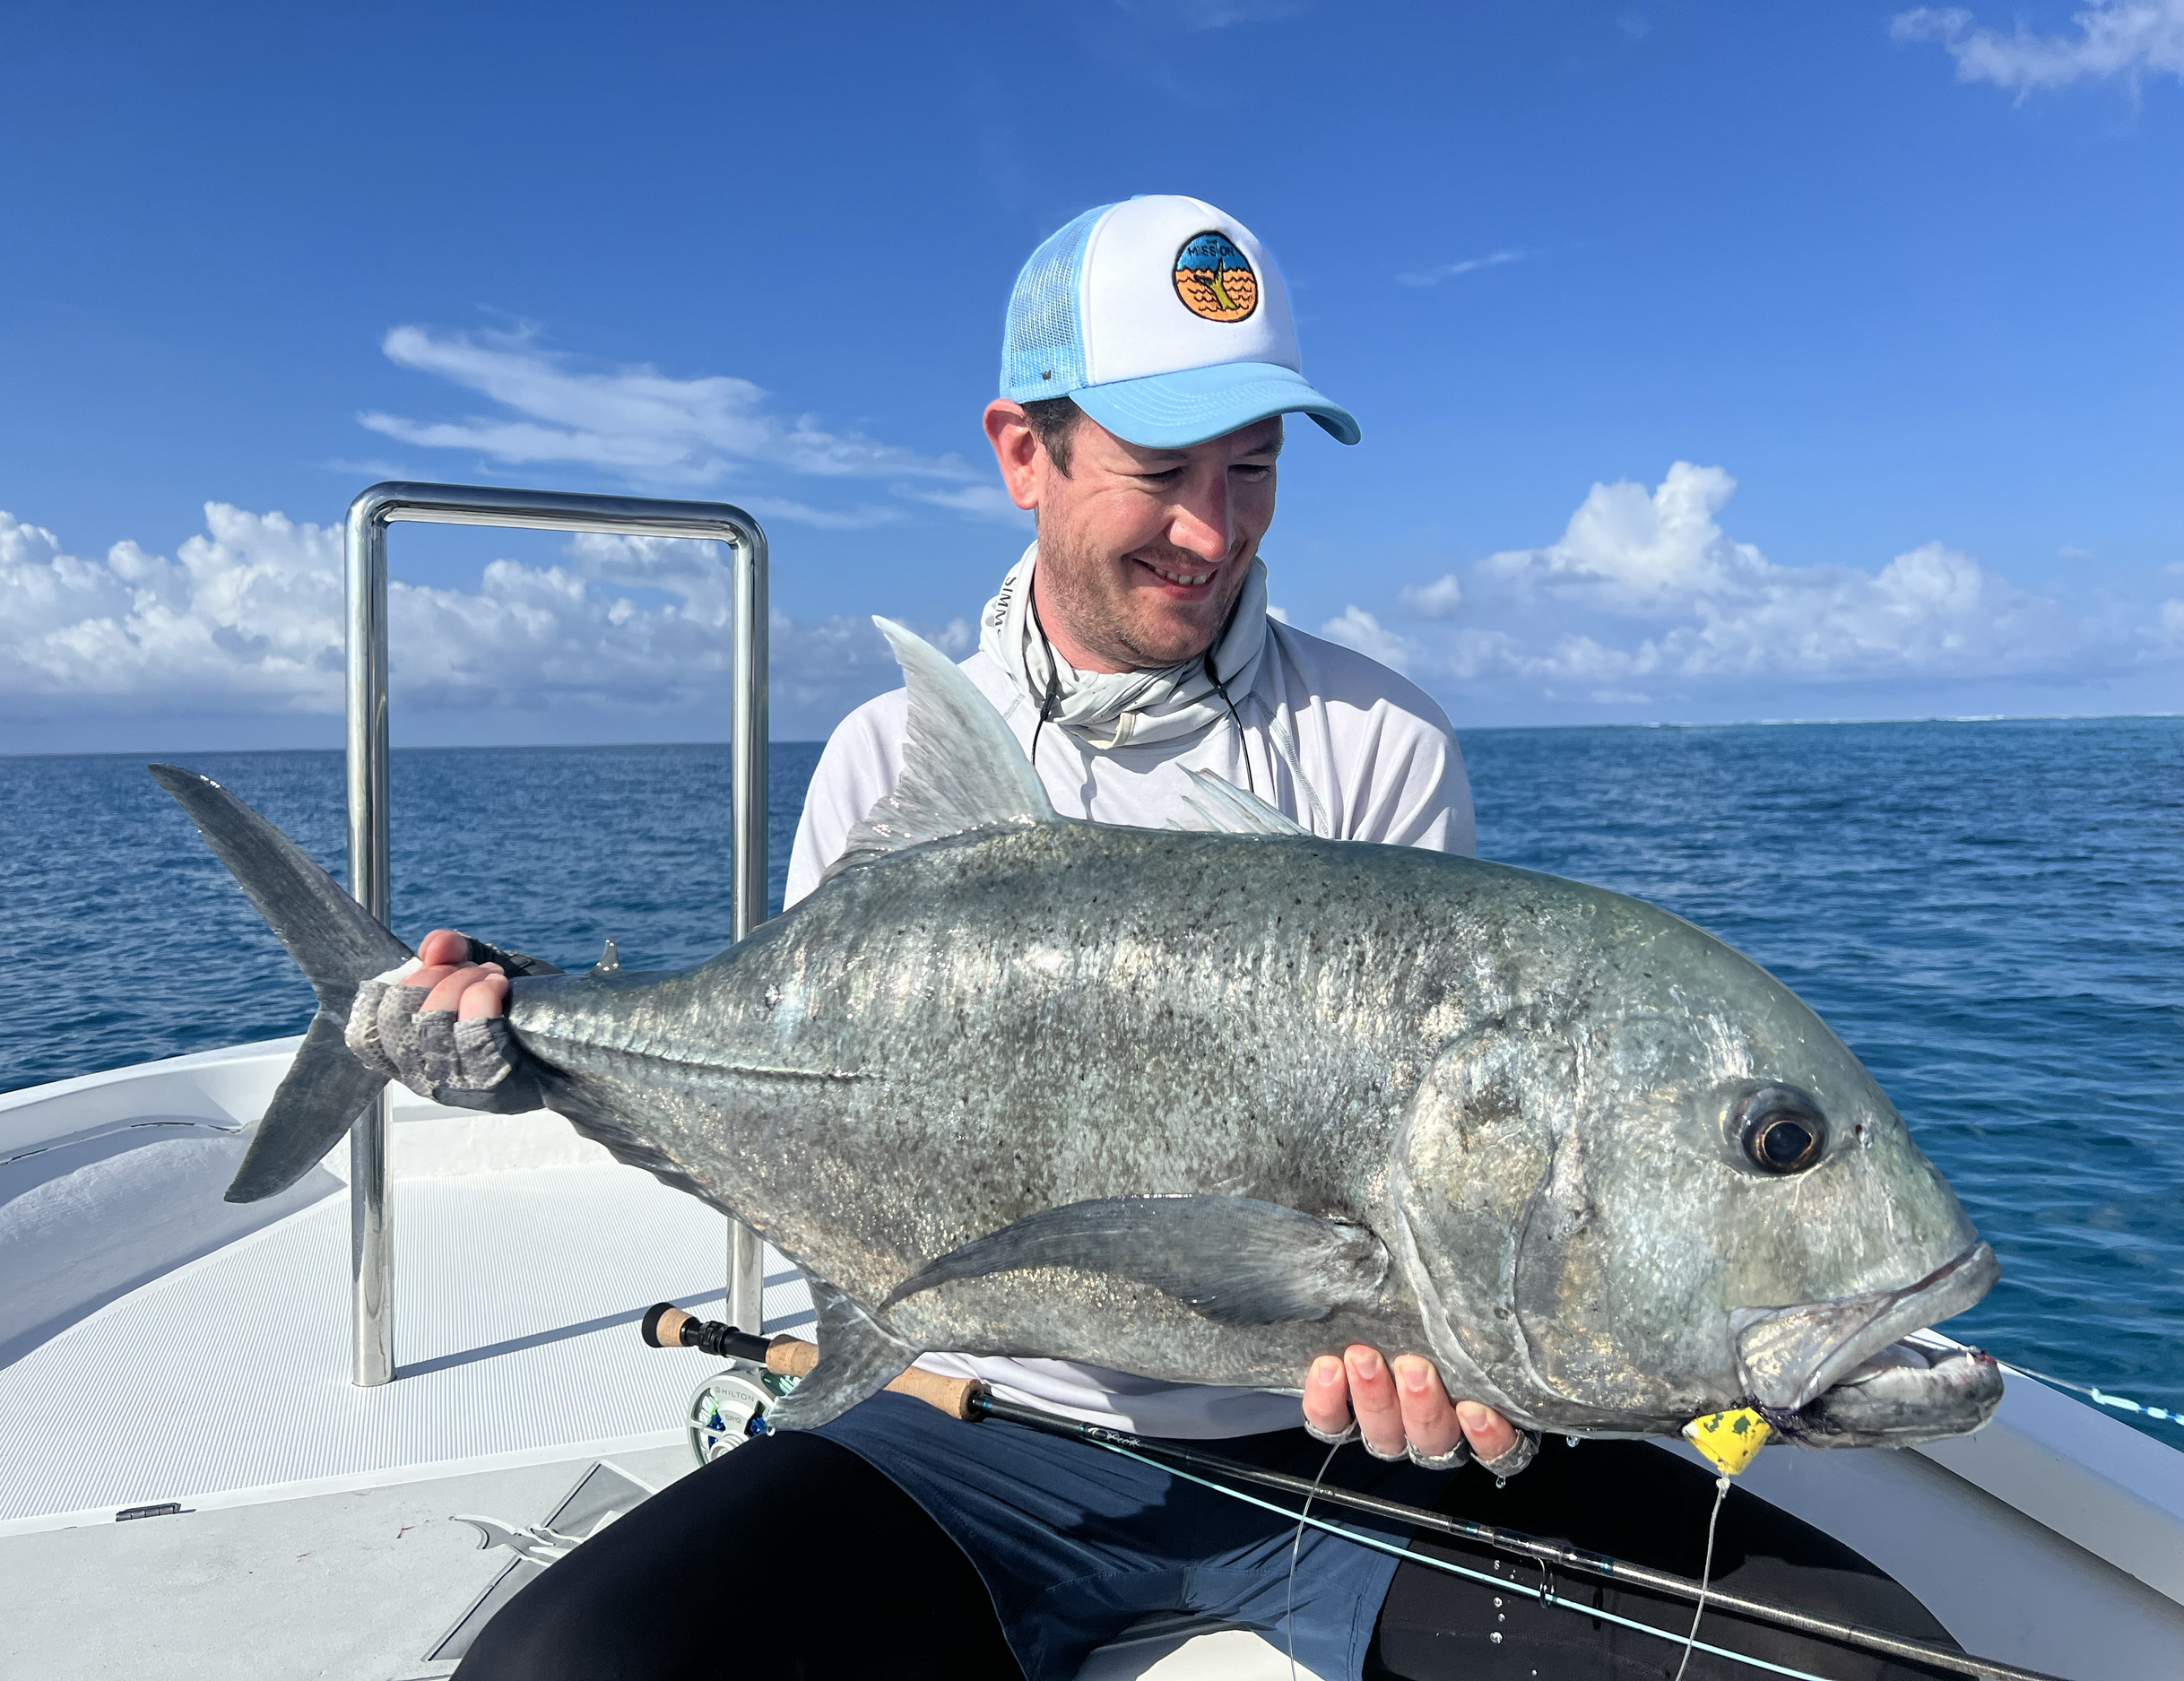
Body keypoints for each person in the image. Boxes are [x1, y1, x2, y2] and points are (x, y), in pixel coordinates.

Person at [366, 196, 1967, 1681]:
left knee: (1870, 1665)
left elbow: (1432, 1220)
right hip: (962, 1424)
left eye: (1252, 469)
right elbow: (787, 1089)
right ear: (1025, 450)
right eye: (1162, 470)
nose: (1214, 529)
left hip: (1339, 1465)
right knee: (563, 1665)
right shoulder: (890, 756)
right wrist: (529, 1038)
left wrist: (1458, 1371)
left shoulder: (1382, 743)